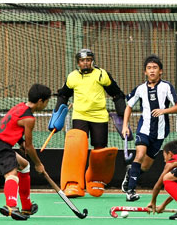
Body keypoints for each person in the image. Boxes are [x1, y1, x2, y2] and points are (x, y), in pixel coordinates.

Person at [53, 49, 127, 197]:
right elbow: (63, 95)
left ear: (92, 60)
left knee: (99, 150)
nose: (85, 62)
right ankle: (74, 184)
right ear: (78, 62)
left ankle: (95, 180)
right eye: (82, 60)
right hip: (80, 115)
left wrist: (122, 113)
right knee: (76, 148)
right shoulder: (72, 77)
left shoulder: (101, 74)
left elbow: (116, 93)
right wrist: (56, 117)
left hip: (99, 116)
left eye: (88, 60)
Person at [0, 84, 51, 220]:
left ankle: (26, 207)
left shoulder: (20, 106)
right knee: (12, 174)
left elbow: (12, 125)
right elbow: (29, 147)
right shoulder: (29, 119)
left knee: (24, 165)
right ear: (40, 101)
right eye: (46, 102)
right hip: (1, 147)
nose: (46, 105)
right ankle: (11, 206)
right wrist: (39, 164)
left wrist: (20, 141)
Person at [122, 54, 177, 202]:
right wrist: (125, 126)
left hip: (160, 132)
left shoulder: (167, 87)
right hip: (144, 129)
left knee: (146, 166)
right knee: (139, 155)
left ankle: (131, 174)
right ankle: (131, 191)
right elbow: (129, 106)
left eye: (155, 68)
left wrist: (163, 111)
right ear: (145, 72)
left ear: (160, 71)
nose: (152, 71)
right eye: (149, 68)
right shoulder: (141, 89)